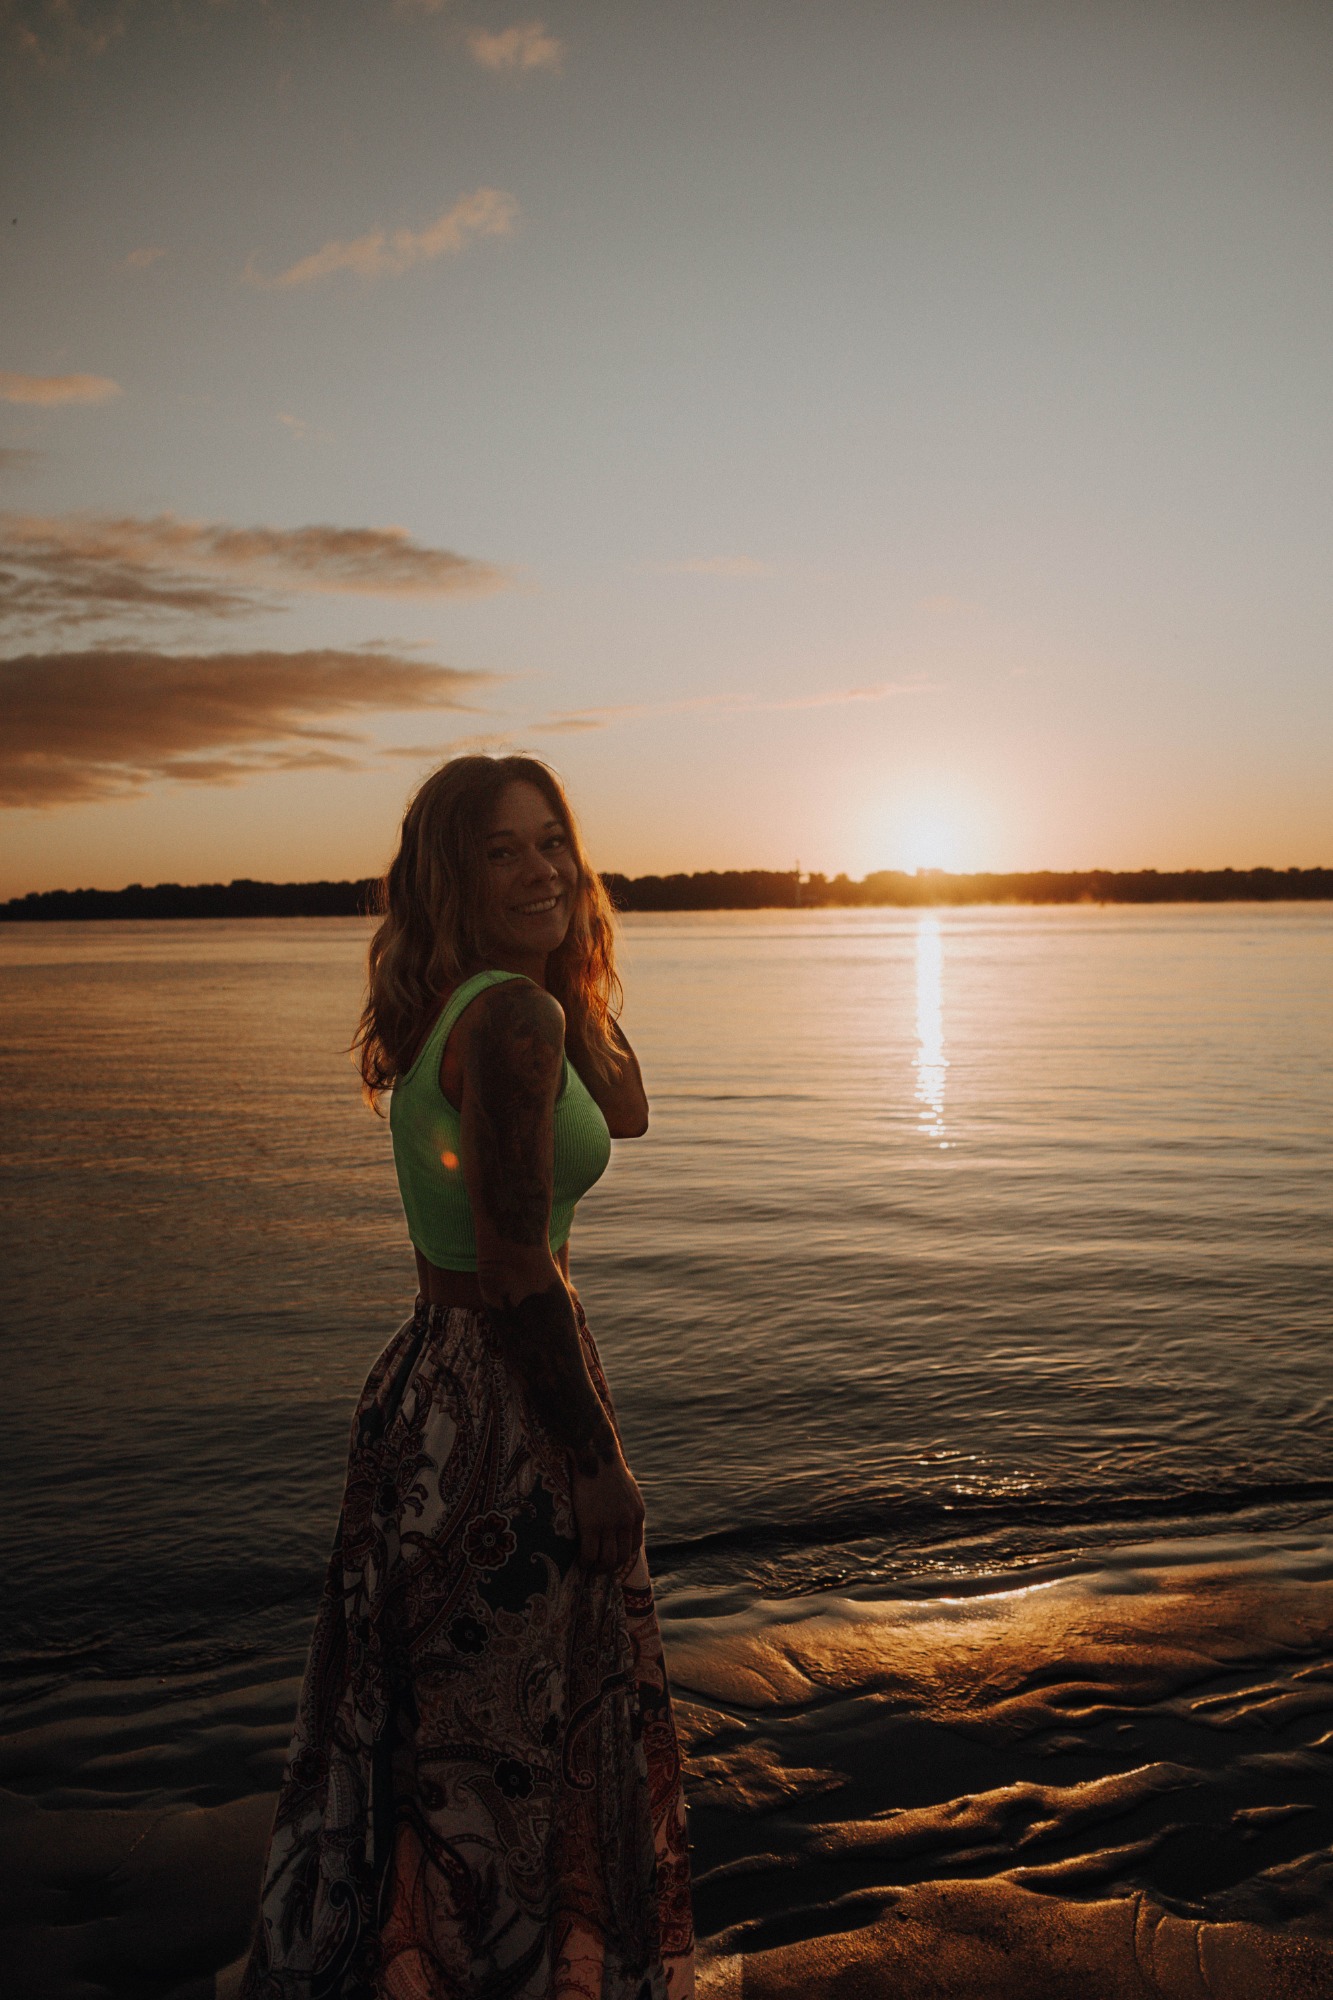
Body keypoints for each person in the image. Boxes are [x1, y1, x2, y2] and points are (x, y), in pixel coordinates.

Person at [241, 755, 695, 2000]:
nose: (542, 868)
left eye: (555, 842)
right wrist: (597, 1460)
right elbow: (513, 1265)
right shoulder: (509, 1021)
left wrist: (570, 956)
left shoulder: (503, 1007)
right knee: (506, 1727)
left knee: (446, 1721)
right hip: (503, 1399)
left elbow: (630, 1110)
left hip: (433, 1384)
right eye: (504, 851)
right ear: (453, 877)